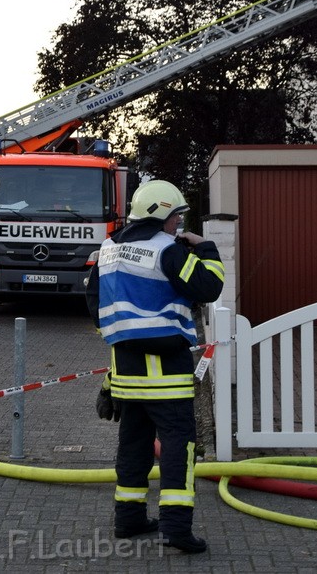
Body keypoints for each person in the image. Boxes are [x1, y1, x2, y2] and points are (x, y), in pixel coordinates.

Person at [86, 180, 224, 554]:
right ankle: (176, 528)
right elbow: (210, 287)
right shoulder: (167, 251)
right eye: (177, 217)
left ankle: (128, 519)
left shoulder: (109, 249)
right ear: (162, 214)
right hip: (166, 375)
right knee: (179, 448)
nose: (178, 224)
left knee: (133, 448)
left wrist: (110, 378)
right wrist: (206, 247)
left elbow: (99, 309)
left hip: (127, 374)